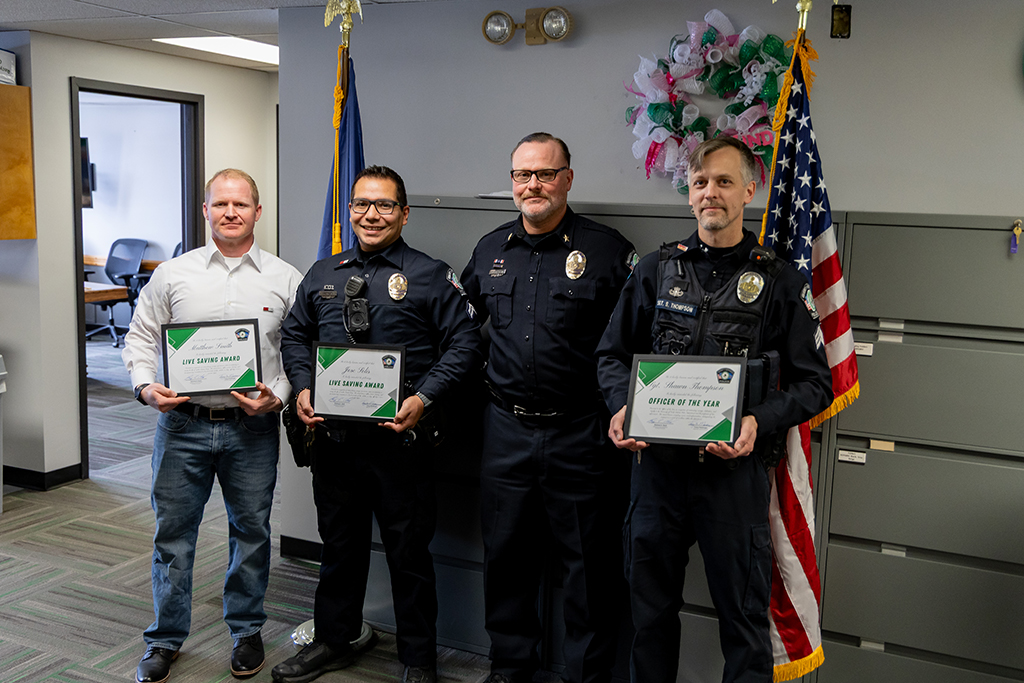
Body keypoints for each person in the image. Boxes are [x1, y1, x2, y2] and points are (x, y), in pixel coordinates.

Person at [595, 136, 834, 683]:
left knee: (743, 625)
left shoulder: (778, 281)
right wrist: (620, 406)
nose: (710, 193)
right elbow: (610, 355)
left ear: (751, 190)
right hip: (656, 475)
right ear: (689, 194)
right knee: (649, 617)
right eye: (700, 182)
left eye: (724, 181)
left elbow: (815, 383)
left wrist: (758, 421)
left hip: (733, 477)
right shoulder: (655, 270)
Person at [272, 166, 482, 683]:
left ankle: (418, 659)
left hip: (400, 444)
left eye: (384, 205)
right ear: (350, 211)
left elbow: (468, 342)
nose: (372, 214)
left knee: (408, 555)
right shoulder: (323, 273)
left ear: (404, 213)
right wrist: (302, 387)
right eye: (362, 204)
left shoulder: (431, 275)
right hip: (335, 443)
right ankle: (334, 640)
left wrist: (425, 397)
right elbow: (295, 336)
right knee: (338, 548)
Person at [461, 133, 636, 683]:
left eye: (544, 173)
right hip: (506, 429)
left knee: (588, 568)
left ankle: (587, 675)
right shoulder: (490, 249)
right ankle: (511, 669)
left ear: (567, 178)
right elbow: (460, 330)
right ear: (512, 182)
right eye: (521, 175)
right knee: (506, 560)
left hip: (582, 433)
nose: (531, 185)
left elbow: (638, 341)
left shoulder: (608, 252)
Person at [123, 169, 303, 683]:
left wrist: (279, 398)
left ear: (257, 212)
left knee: (251, 533)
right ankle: (164, 639)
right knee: (172, 535)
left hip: (252, 430)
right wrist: (142, 385)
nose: (230, 212)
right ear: (205, 211)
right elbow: (138, 338)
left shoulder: (285, 279)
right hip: (182, 426)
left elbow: (297, 355)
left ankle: (246, 631)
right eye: (220, 204)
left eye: (241, 205)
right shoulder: (173, 275)